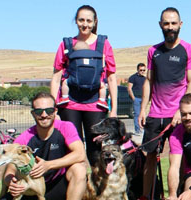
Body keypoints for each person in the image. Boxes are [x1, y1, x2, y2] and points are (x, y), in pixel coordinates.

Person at [138, 7, 191, 199]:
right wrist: (143, 109)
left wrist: (182, 111)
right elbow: (149, 81)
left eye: (174, 23)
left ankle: (178, 195)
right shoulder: (153, 51)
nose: (170, 27)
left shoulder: (189, 50)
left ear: (180, 25)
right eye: (166, 23)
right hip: (155, 114)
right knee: (149, 158)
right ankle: (146, 196)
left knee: (177, 159)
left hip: (177, 115)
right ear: (160, 25)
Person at [50, 5, 118, 166]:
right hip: (70, 105)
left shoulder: (104, 44)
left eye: (89, 20)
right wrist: (53, 107)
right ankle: (75, 186)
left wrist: (114, 109)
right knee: (73, 148)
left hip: (95, 105)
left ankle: (97, 186)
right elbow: (56, 77)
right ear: (76, 21)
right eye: (81, 20)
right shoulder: (66, 45)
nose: (85, 24)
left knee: (95, 150)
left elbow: (112, 77)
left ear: (95, 22)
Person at [0, 92, 87, 200]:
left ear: (55, 111)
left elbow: (80, 154)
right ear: (33, 113)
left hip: (58, 186)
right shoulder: (24, 139)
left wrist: (48, 165)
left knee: (79, 169)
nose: (44, 115)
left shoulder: (66, 127)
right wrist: (10, 182)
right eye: (39, 111)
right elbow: (10, 167)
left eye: (49, 110)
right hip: (33, 190)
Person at [57, 41, 108, 110]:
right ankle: (102, 100)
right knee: (102, 86)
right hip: (94, 82)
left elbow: (68, 66)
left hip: (75, 82)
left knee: (65, 83)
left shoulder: (73, 58)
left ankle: (65, 97)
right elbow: (102, 66)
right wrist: (103, 58)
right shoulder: (95, 58)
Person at [127, 63, 147, 135]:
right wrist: (133, 98)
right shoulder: (133, 77)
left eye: (144, 70)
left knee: (144, 114)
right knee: (137, 114)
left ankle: (143, 128)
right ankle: (137, 130)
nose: (142, 71)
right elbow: (129, 88)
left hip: (144, 99)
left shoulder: (145, 79)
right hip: (137, 99)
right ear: (137, 70)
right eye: (141, 70)